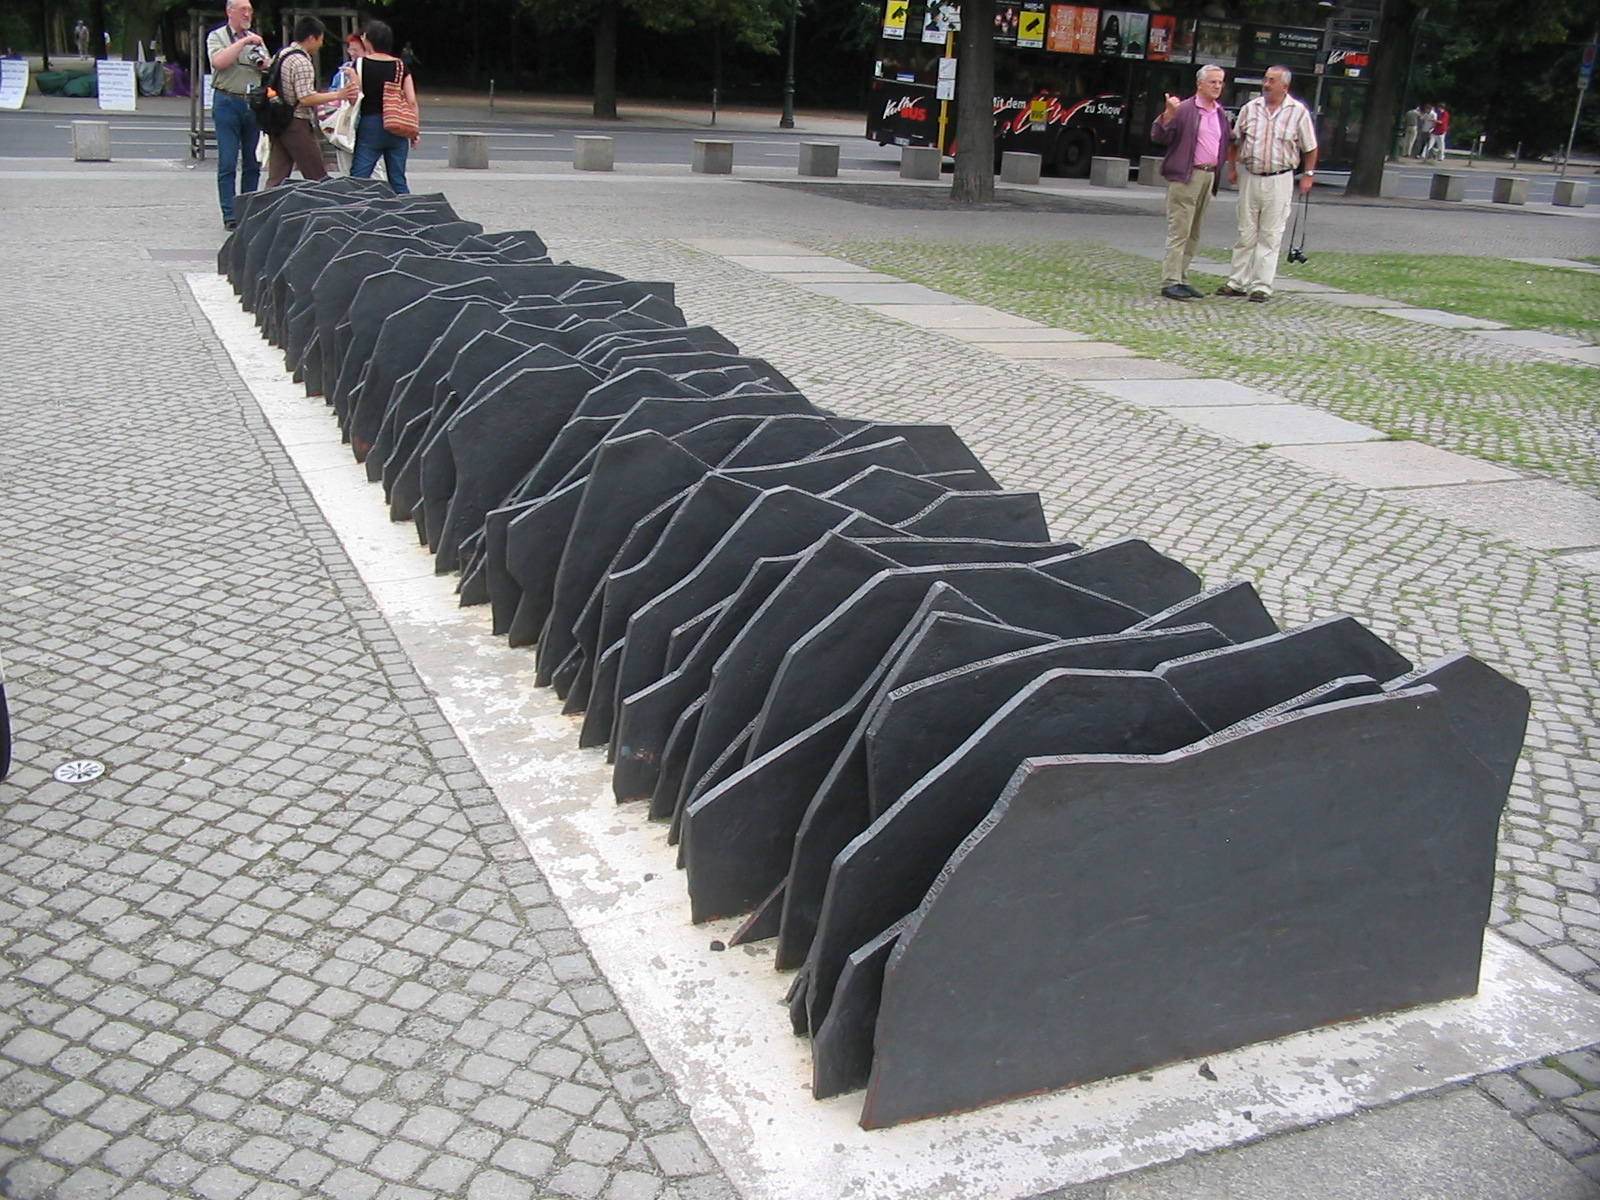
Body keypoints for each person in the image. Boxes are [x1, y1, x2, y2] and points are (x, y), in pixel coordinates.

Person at [1217, 65, 1317, 304]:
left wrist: (1308, 174)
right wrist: (1232, 168)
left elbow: (1310, 147)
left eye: (1272, 80)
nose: (1266, 84)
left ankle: (1262, 285)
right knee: (1246, 232)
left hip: (1279, 177)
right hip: (1251, 174)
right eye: (1265, 79)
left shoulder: (1297, 112)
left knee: (1270, 234)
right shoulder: (1250, 109)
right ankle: (1237, 281)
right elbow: (1235, 140)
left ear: (1285, 86)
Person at [1149, 63, 1231, 302]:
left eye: (1220, 82)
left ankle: (1182, 277)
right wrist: (1168, 114)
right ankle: (1170, 280)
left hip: (1208, 175)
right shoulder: (1184, 109)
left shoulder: (1219, 112)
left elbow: (1227, 140)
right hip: (1187, 175)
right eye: (1212, 82)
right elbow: (1159, 136)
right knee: (1180, 229)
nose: (1217, 86)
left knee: (1195, 230)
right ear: (1200, 84)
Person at [263, 16, 356, 188]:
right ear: (312, 37)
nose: (321, 44)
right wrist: (338, 94)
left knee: (277, 177)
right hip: (296, 122)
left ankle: (262, 210)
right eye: (321, 39)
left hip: (278, 120)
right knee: (317, 176)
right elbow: (306, 98)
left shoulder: (282, 54)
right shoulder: (302, 62)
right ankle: (323, 211)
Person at [205, 0, 269, 229]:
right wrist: (243, 42)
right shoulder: (217, 36)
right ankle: (230, 214)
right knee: (228, 161)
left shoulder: (255, 39)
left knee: (253, 161)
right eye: (243, 9)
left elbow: (266, 66)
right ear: (229, 11)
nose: (247, 14)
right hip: (226, 101)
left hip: (251, 103)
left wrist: (262, 59)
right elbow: (219, 62)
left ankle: (247, 210)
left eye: (250, 10)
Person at [350, 20, 418, 194]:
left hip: (369, 124)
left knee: (359, 178)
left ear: (368, 40)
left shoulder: (359, 65)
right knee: (398, 180)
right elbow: (411, 101)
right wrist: (414, 130)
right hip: (397, 124)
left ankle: (355, 213)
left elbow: (353, 95)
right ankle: (409, 214)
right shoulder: (401, 66)